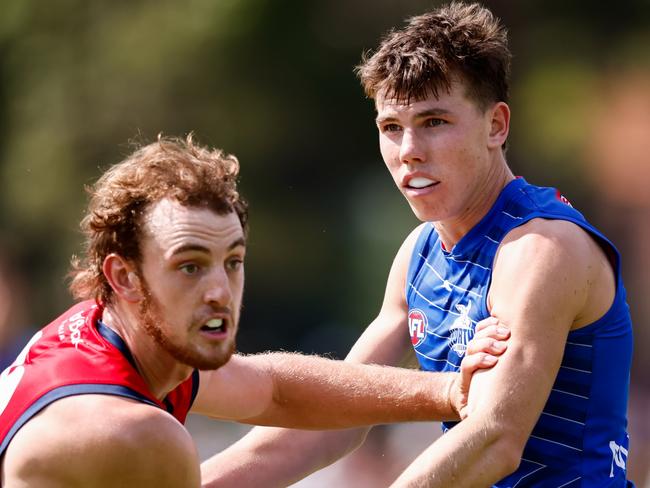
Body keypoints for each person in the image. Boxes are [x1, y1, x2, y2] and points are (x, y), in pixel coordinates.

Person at [203, 2, 634, 487]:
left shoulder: (541, 249)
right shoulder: (420, 252)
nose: (409, 151)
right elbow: (330, 423)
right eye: (391, 128)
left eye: (434, 122)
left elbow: (494, 439)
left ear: (497, 126)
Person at [0, 135, 508, 487]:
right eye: (190, 267)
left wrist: (446, 390)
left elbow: (277, 391)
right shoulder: (135, 433)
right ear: (124, 277)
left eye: (233, 261)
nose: (220, 290)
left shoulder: (99, 337)